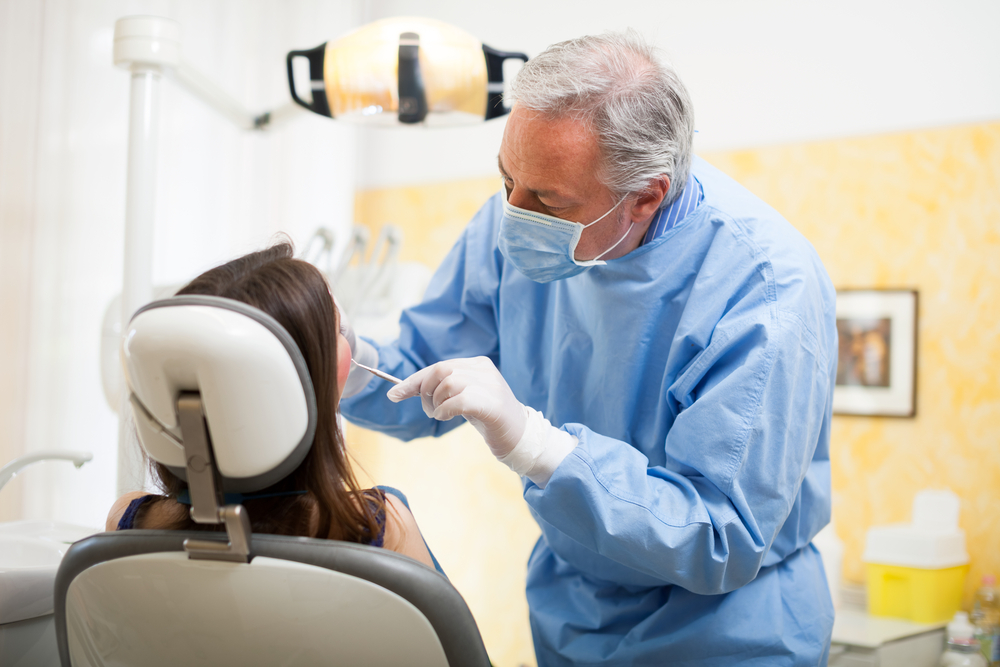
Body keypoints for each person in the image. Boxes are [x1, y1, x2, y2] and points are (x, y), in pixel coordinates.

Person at [340, 29, 838, 666]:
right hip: (573, 614)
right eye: (506, 179)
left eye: (548, 199)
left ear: (646, 197)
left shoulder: (762, 288)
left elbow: (719, 534)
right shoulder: (507, 225)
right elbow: (425, 373)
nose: (513, 212)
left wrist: (536, 444)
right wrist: (351, 365)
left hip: (725, 632)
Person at [106, 242, 440, 574]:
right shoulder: (378, 527)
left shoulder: (128, 521)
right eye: (337, 331)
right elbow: (450, 628)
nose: (350, 344)